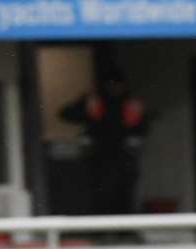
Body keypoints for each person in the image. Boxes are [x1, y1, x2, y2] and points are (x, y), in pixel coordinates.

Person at [59, 67, 149, 222]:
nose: (115, 88)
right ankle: (100, 230)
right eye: (111, 85)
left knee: (125, 192)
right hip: (100, 154)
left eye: (118, 85)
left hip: (124, 155)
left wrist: (137, 136)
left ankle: (125, 230)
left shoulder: (131, 102)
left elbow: (144, 123)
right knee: (102, 193)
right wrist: (86, 111)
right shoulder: (95, 100)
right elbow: (66, 113)